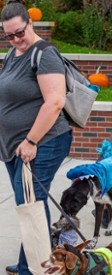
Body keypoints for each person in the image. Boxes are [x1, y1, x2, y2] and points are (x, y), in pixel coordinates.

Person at [0, 0, 72, 273]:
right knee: (27, 204)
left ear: (30, 23)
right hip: (14, 146)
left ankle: (40, 268)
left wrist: (31, 141)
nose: (16, 39)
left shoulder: (45, 53)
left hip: (44, 142)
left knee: (32, 203)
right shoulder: (12, 54)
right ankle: (27, 264)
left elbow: (54, 102)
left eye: (20, 32)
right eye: (10, 35)